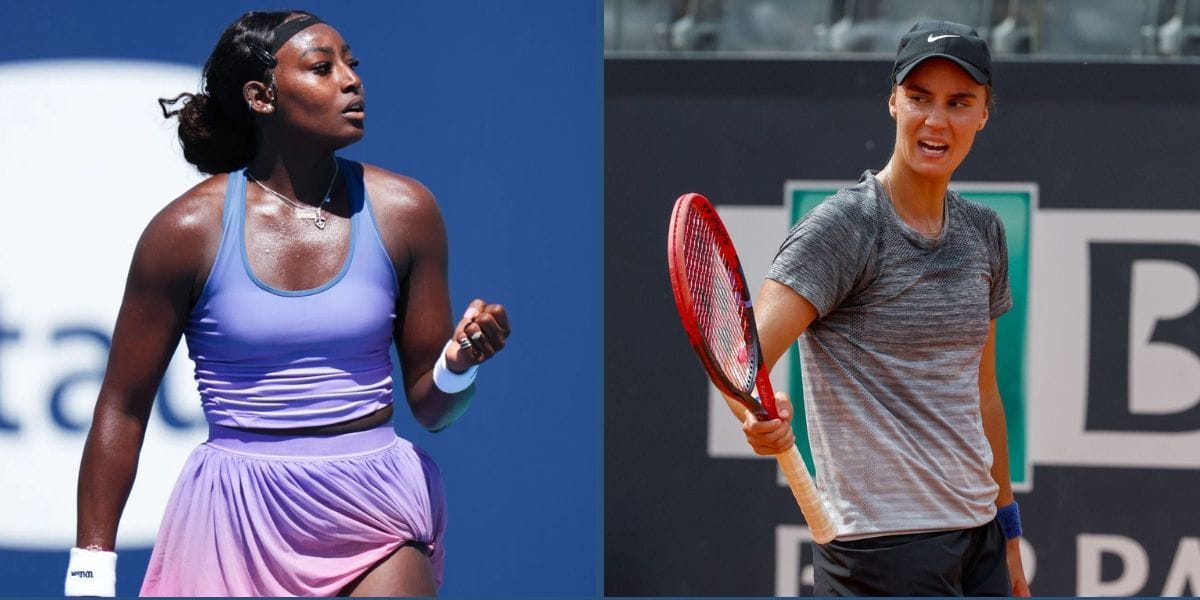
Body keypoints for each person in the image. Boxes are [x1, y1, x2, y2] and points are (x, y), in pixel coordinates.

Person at [64, 10, 510, 597]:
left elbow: (433, 408)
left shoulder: (407, 212)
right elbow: (122, 407)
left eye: (352, 64)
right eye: (323, 68)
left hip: (376, 508)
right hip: (232, 520)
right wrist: (89, 573)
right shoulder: (185, 231)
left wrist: (459, 365)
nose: (351, 80)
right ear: (261, 96)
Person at [731, 21, 1030, 596]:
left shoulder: (984, 232)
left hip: (978, 536)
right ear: (893, 102)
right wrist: (756, 414)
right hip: (880, 551)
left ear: (984, 114)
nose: (936, 120)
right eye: (919, 98)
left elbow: (983, 394)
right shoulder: (844, 229)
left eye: (959, 102)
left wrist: (1009, 531)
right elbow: (740, 358)